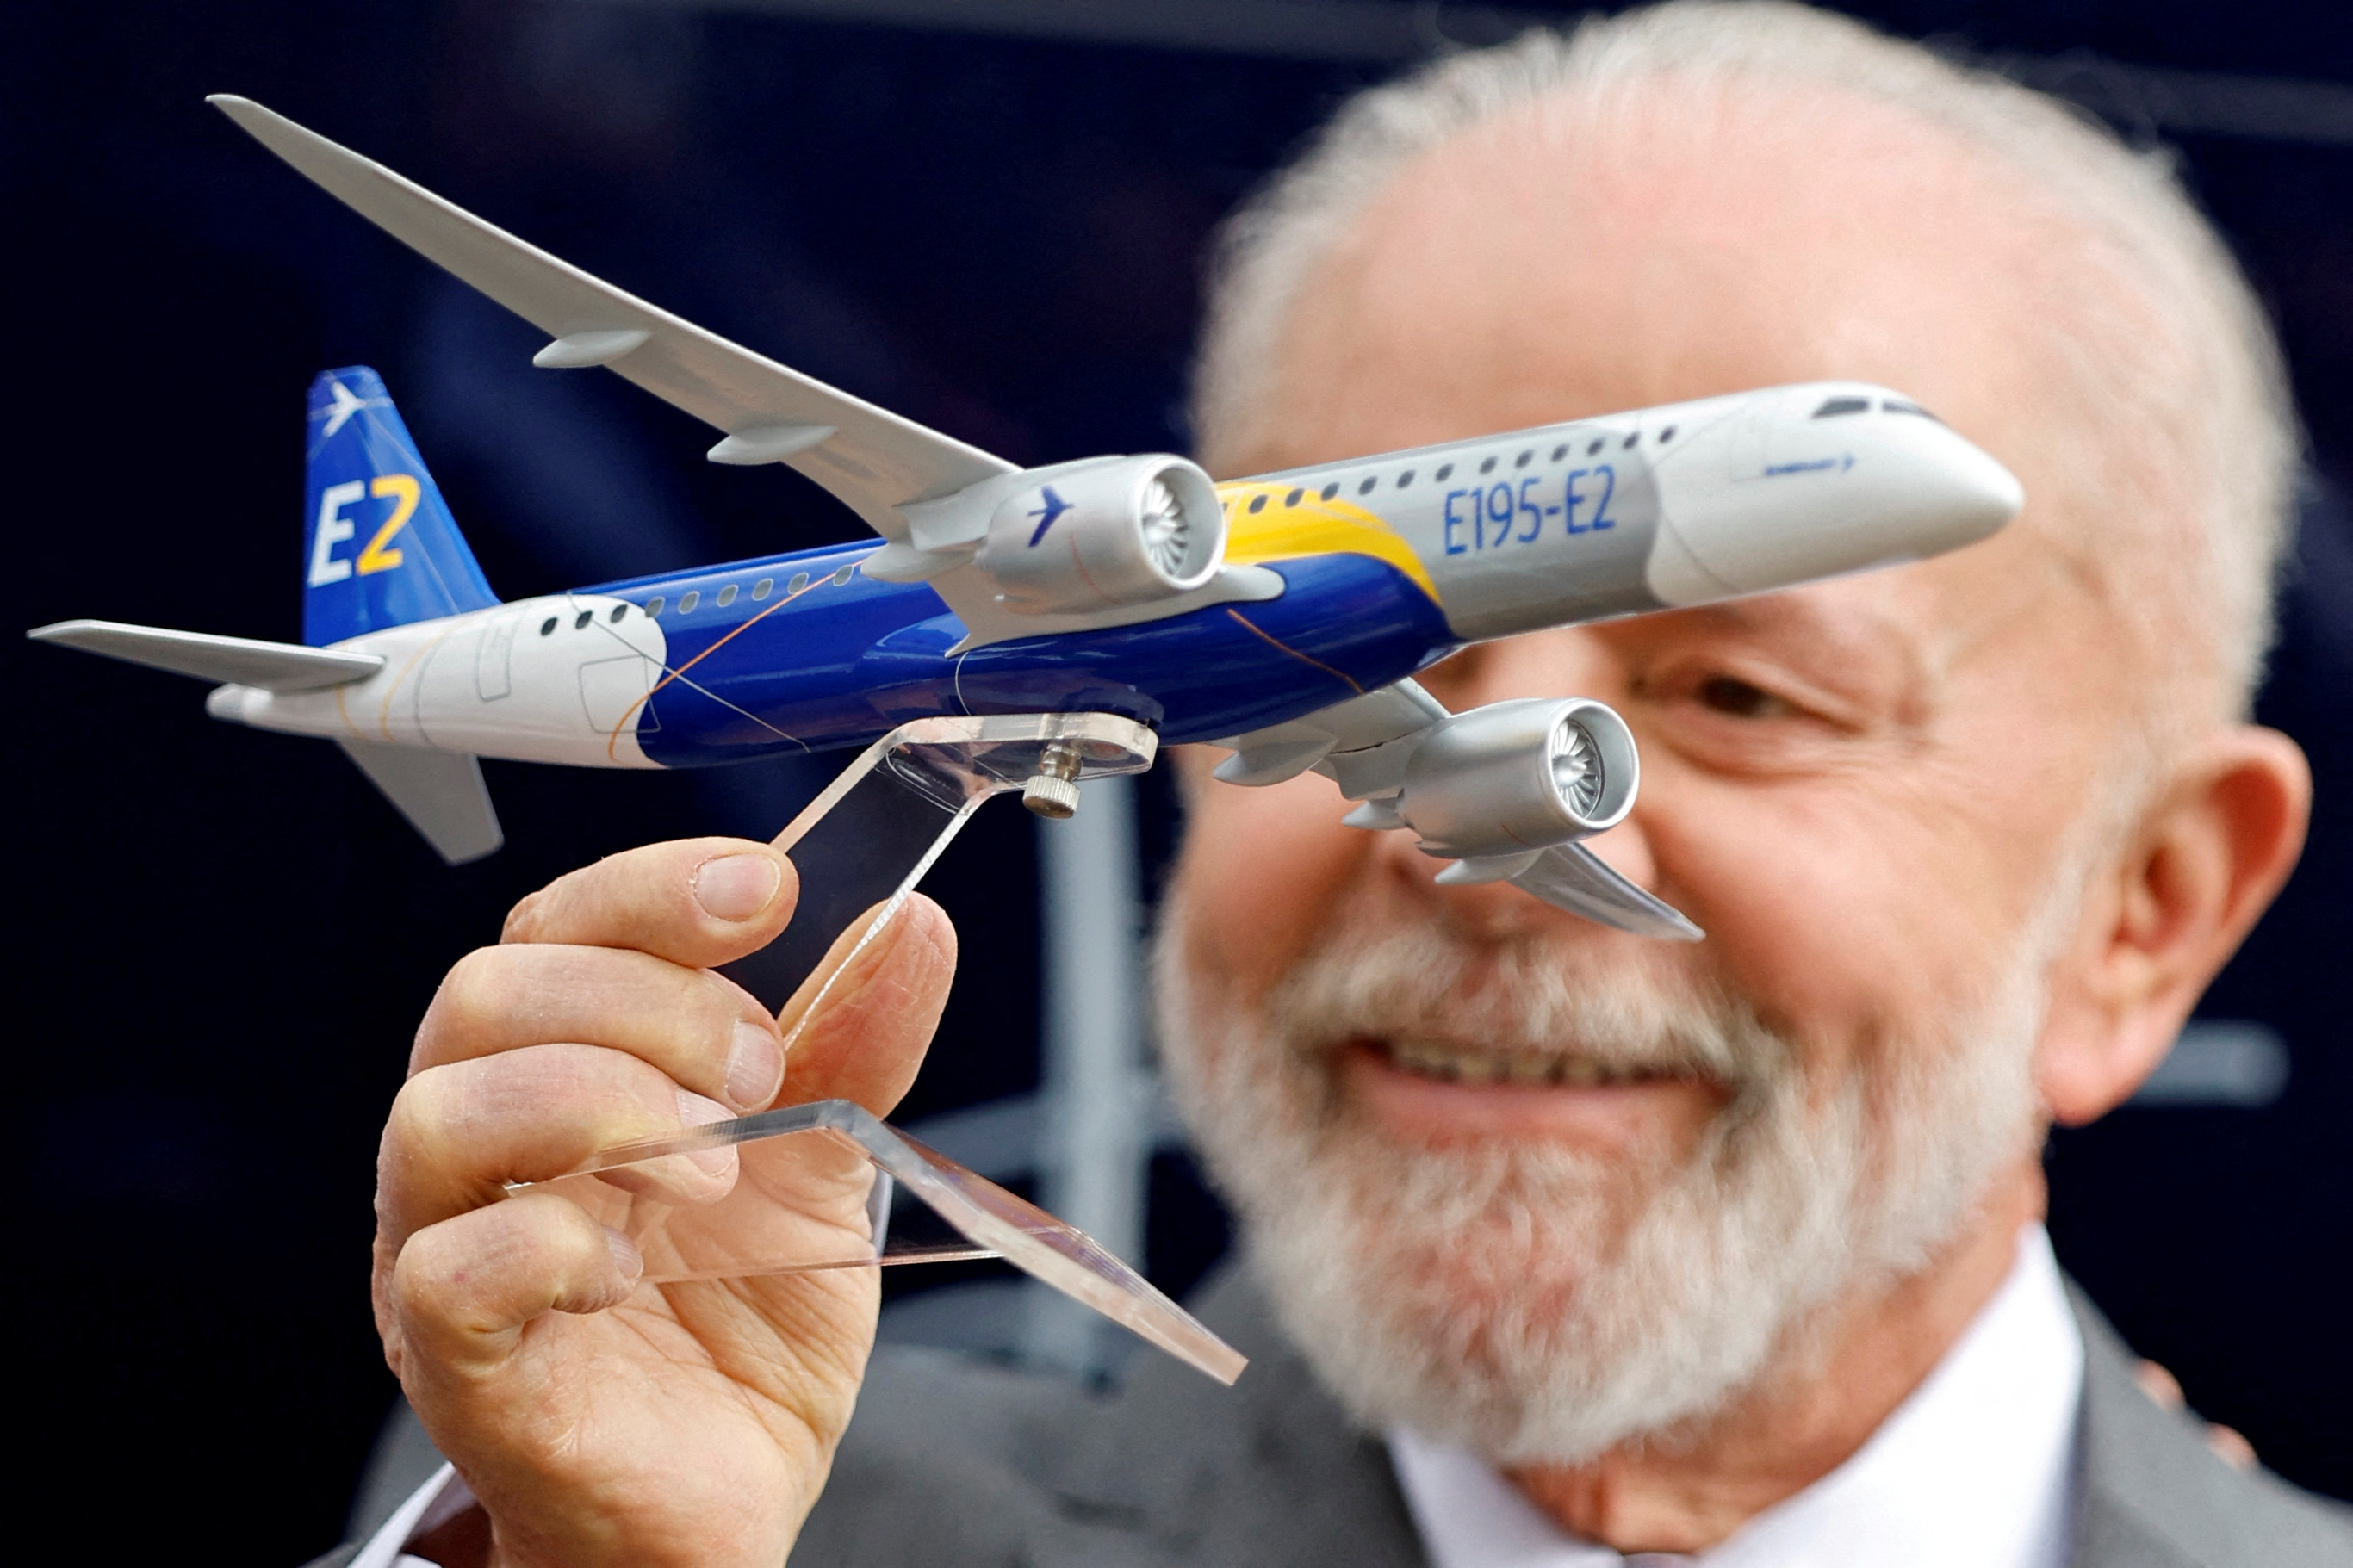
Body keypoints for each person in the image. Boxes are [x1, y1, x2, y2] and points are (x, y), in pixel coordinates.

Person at [326, 4, 2353, 1564]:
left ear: (2146, 907)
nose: (1495, 870)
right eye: (1412, 658)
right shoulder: (715, 1517)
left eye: (1742, 693)